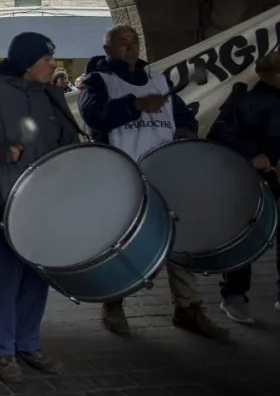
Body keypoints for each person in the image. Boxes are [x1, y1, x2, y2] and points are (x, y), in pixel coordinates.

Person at [78, 24, 227, 339]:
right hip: (124, 172)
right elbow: (94, 116)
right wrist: (134, 105)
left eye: (134, 41)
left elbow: (180, 112)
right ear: (107, 49)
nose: (130, 47)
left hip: (165, 169)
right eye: (122, 42)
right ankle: (113, 302)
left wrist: (186, 128)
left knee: (178, 237)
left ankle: (188, 306)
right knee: (123, 241)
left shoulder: (158, 79)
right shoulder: (98, 80)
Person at [0, 32, 78, 384]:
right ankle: (2, 349)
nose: (53, 64)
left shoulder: (52, 95)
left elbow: (68, 142)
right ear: (26, 61)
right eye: (47, 59)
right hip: (8, 200)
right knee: (8, 277)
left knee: (39, 275)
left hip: (47, 203)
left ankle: (28, 343)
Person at [208, 50, 280, 321]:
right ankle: (234, 295)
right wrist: (253, 154)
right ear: (266, 74)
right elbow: (220, 131)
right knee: (245, 236)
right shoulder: (245, 99)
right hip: (253, 177)